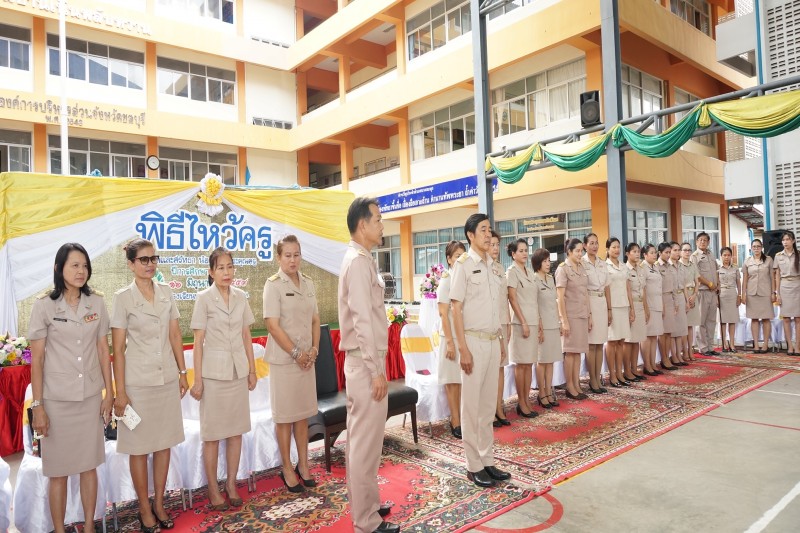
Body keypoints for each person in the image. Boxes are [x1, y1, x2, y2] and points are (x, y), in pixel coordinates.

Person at [28, 243, 113, 533]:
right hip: (57, 401)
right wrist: (38, 406)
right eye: (74, 265)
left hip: (89, 397)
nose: (81, 271)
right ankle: (59, 528)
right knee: (59, 472)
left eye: (84, 265)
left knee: (89, 466)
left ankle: (89, 526)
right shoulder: (44, 305)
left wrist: (109, 394)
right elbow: (37, 360)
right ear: (58, 268)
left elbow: (103, 350)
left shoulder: (96, 302)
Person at [111, 238, 189, 532]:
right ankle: (144, 507)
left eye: (153, 258)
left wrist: (182, 372)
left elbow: (175, 335)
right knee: (140, 448)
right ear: (130, 264)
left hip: (166, 379)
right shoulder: (122, 298)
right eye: (143, 259)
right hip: (138, 384)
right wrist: (120, 392)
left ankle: (159, 503)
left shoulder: (166, 292)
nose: (150, 264)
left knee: (164, 444)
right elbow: (118, 350)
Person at [337, 197, 399, 533]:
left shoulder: (362, 259)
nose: (381, 225)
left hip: (366, 361)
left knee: (369, 441)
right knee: (363, 444)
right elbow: (362, 320)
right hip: (365, 364)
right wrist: (376, 371)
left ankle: (368, 505)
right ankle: (366, 521)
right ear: (362, 225)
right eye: (377, 219)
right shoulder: (358, 263)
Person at [190, 247, 257, 508]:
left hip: (238, 372)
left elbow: (246, 335)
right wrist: (198, 380)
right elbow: (198, 342)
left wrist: (252, 370)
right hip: (214, 376)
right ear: (211, 271)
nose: (226, 272)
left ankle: (230, 483)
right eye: (220, 268)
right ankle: (212, 488)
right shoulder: (203, 298)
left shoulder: (241, 297)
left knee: (236, 432)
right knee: (213, 435)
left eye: (230, 267)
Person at [450, 213, 510, 488]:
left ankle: (487, 460)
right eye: (483, 230)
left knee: (487, 407)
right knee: (471, 407)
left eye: (489, 230)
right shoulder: (463, 266)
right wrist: (462, 348)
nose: (488, 235)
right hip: (472, 342)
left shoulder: (494, 267)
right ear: (470, 235)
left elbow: (497, 309)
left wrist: (501, 342)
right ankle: (473, 465)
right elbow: (456, 309)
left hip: (492, 340)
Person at [263, 236, 321, 492]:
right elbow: (272, 325)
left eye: (296, 254)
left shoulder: (308, 283)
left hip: (307, 360)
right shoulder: (273, 285)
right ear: (278, 258)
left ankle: (304, 464)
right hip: (285, 362)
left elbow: (315, 320)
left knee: (302, 415)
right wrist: (297, 353)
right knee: (285, 417)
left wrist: (314, 349)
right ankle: (287, 467)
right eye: (287, 255)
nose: (293, 260)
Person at [506, 238, 539, 417]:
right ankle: (521, 402)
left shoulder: (530, 272)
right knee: (521, 365)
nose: (525, 253)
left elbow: (534, 300)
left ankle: (526, 400)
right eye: (521, 251)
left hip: (533, 321)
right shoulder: (512, 272)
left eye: (526, 250)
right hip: (521, 323)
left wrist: (538, 322)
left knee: (529, 364)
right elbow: (512, 299)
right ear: (513, 254)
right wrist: (523, 322)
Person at [438, 240, 467, 438]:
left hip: (463, 336)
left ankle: (463, 418)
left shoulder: (463, 279)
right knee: (452, 382)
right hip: (450, 338)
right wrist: (449, 342)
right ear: (449, 259)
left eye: (463, 256)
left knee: (462, 381)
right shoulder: (446, 280)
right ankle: (455, 420)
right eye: (457, 256)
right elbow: (443, 313)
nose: (460, 259)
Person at [555, 238, 590, 400]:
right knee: (570, 352)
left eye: (581, 251)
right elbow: (560, 298)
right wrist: (563, 321)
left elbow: (585, 292)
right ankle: (570, 386)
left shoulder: (581, 267)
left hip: (582, 314)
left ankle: (576, 383)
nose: (580, 254)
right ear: (569, 252)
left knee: (578, 352)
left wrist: (589, 314)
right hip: (570, 316)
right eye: (577, 251)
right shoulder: (563, 269)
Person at [533, 248, 561, 408]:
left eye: (549, 261)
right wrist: (539, 326)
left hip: (553, 324)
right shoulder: (534, 279)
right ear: (538, 263)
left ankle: (549, 391)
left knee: (550, 360)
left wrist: (559, 322)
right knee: (542, 360)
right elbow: (535, 304)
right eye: (545, 261)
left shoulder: (550, 279)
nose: (548, 264)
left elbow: (554, 302)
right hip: (542, 325)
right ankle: (541, 393)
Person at [490, 231, 512, 427]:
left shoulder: (500, 267)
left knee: (501, 367)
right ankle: (490, 411)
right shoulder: (482, 268)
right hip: (489, 324)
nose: (495, 248)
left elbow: (505, 298)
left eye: (497, 244)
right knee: (490, 368)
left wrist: (509, 322)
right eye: (492, 244)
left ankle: (499, 407)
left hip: (503, 322)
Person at [582, 233, 609, 394]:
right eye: (591, 243)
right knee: (591, 344)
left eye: (596, 243)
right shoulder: (582, 263)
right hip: (590, 302)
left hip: (602, 302)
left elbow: (607, 287)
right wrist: (588, 312)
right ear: (585, 246)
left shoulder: (602, 263)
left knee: (600, 344)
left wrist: (609, 309)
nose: (594, 246)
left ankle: (598, 377)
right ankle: (592, 379)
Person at [605, 238, 634, 384]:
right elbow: (606, 289)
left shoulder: (623, 266)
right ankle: (612, 375)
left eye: (618, 247)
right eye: (613, 247)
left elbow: (628, 288)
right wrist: (609, 309)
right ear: (607, 249)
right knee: (612, 341)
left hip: (624, 306)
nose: (616, 250)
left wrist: (631, 308)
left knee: (622, 341)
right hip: (613, 306)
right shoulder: (605, 266)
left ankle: (620, 372)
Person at [623, 243, 651, 379]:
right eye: (633, 251)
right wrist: (631, 309)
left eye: (638, 251)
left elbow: (643, 290)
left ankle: (634, 369)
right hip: (631, 306)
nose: (637, 254)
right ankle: (627, 370)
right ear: (627, 254)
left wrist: (646, 308)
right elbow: (627, 291)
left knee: (637, 340)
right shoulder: (625, 269)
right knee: (629, 341)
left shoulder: (641, 269)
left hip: (640, 305)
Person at [741, 239, 773, 353]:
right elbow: (745, 279)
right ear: (751, 248)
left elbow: (772, 277)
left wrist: (773, 292)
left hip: (765, 293)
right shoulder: (747, 261)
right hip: (752, 293)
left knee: (766, 319)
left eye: (758, 246)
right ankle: (755, 344)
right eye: (754, 246)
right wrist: (743, 294)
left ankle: (765, 344)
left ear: (762, 247)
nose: (756, 248)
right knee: (754, 319)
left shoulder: (768, 260)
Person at [691, 232, 719, 355]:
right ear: (696, 242)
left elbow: (716, 271)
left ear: (708, 242)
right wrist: (709, 284)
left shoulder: (711, 254)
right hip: (702, 291)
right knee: (701, 321)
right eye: (700, 240)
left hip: (713, 292)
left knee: (711, 321)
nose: (703, 242)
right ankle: (703, 347)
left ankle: (710, 347)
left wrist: (716, 285)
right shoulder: (694, 256)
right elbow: (696, 275)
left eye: (705, 240)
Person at [773, 230, 800, 356]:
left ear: (793, 241)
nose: (785, 242)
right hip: (784, 287)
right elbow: (777, 276)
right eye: (783, 240)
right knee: (786, 318)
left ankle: (798, 346)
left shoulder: (798, 254)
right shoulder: (778, 256)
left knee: (798, 318)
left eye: (788, 239)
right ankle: (790, 345)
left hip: (797, 286)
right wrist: (777, 293)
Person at [642, 244, 664, 377]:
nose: (654, 255)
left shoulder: (655, 267)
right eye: (651, 252)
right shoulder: (643, 268)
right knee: (648, 336)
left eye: (655, 252)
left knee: (654, 336)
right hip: (649, 305)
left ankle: (653, 363)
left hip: (657, 304)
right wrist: (646, 308)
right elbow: (643, 289)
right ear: (645, 255)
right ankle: (647, 365)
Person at [657, 243, 679, 371]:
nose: (668, 254)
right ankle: (664, 358)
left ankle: (667, 357)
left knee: (669, 332)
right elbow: (658, 287)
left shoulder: (670, 266)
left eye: (669, 252)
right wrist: (661, 304)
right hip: (662, 299)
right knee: (663, 332)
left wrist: (676, 302)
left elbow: (674, 286)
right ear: (660, 253)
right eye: (666, 252)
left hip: (670, 298)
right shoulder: (657, 266)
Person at [669, 243, 690, 365]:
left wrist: (687, 301)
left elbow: (685, 285)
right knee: (673, 331)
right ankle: (673, 356)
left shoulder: (681, 266)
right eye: (675, 250)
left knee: (681, 329)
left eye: (678, 250)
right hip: (672, 298)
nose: (677, 252)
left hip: (681, 296)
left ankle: (679, 354)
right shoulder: (667, 266)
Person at [717, 247, 741, 354]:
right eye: (724, 255)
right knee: (723, 321)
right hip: (721, 294)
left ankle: (732, 343)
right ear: (721, 256)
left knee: (732, 320)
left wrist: (739, 295)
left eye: (728, 255)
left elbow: (738, 283)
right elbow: (717, 283)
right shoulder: (718, 268)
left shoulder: (735, 268)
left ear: (731, 256)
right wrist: (716, 298)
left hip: (732, 294)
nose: (726, 257)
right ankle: (724, 343)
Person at [678, 242, 700, 361]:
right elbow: (682, 284)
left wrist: (695, 295)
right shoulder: (678, 265)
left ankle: (690, 349)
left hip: (693, 294)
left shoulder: (693, 265)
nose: (687, 252)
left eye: (689, 250)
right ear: (680, 252)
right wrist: (687, 299)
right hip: (683, 295)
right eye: (685, 250)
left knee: (691, 325)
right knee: (683, 326)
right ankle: (684, 351)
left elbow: (697, 281)